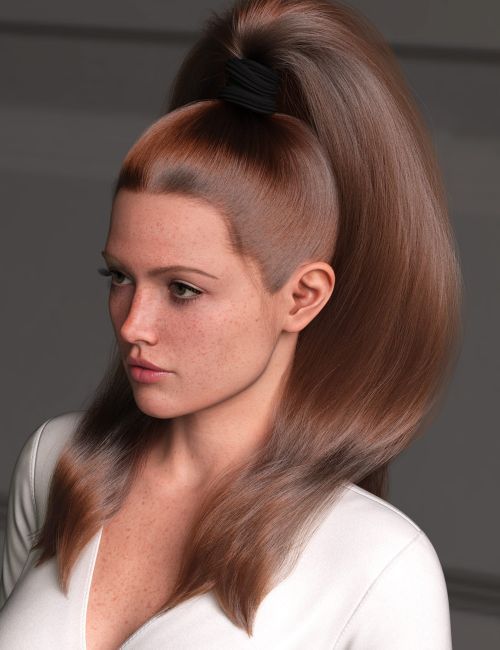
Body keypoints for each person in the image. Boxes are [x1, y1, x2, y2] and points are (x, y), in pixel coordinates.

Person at [0, 0, 462, 648]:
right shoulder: (55, 465)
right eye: (120, 277)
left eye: (182, 289)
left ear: (302, 297)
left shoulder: (379, 564)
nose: (133, 325)